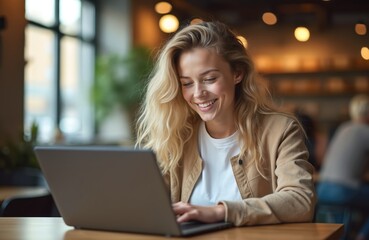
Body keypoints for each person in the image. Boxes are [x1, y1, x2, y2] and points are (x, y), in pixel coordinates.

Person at [136, 21, 315, 226]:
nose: (198, 94)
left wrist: (220, 212)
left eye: (210, 78)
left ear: (237, 73)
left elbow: (300, 200)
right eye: (186, 83)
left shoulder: (279, 129)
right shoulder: (178, 135)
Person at [317, 94, 369, 240]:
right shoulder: (365, 131)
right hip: (342, 191)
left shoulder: (343, 128)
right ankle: (362, 236)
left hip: (322, 188)